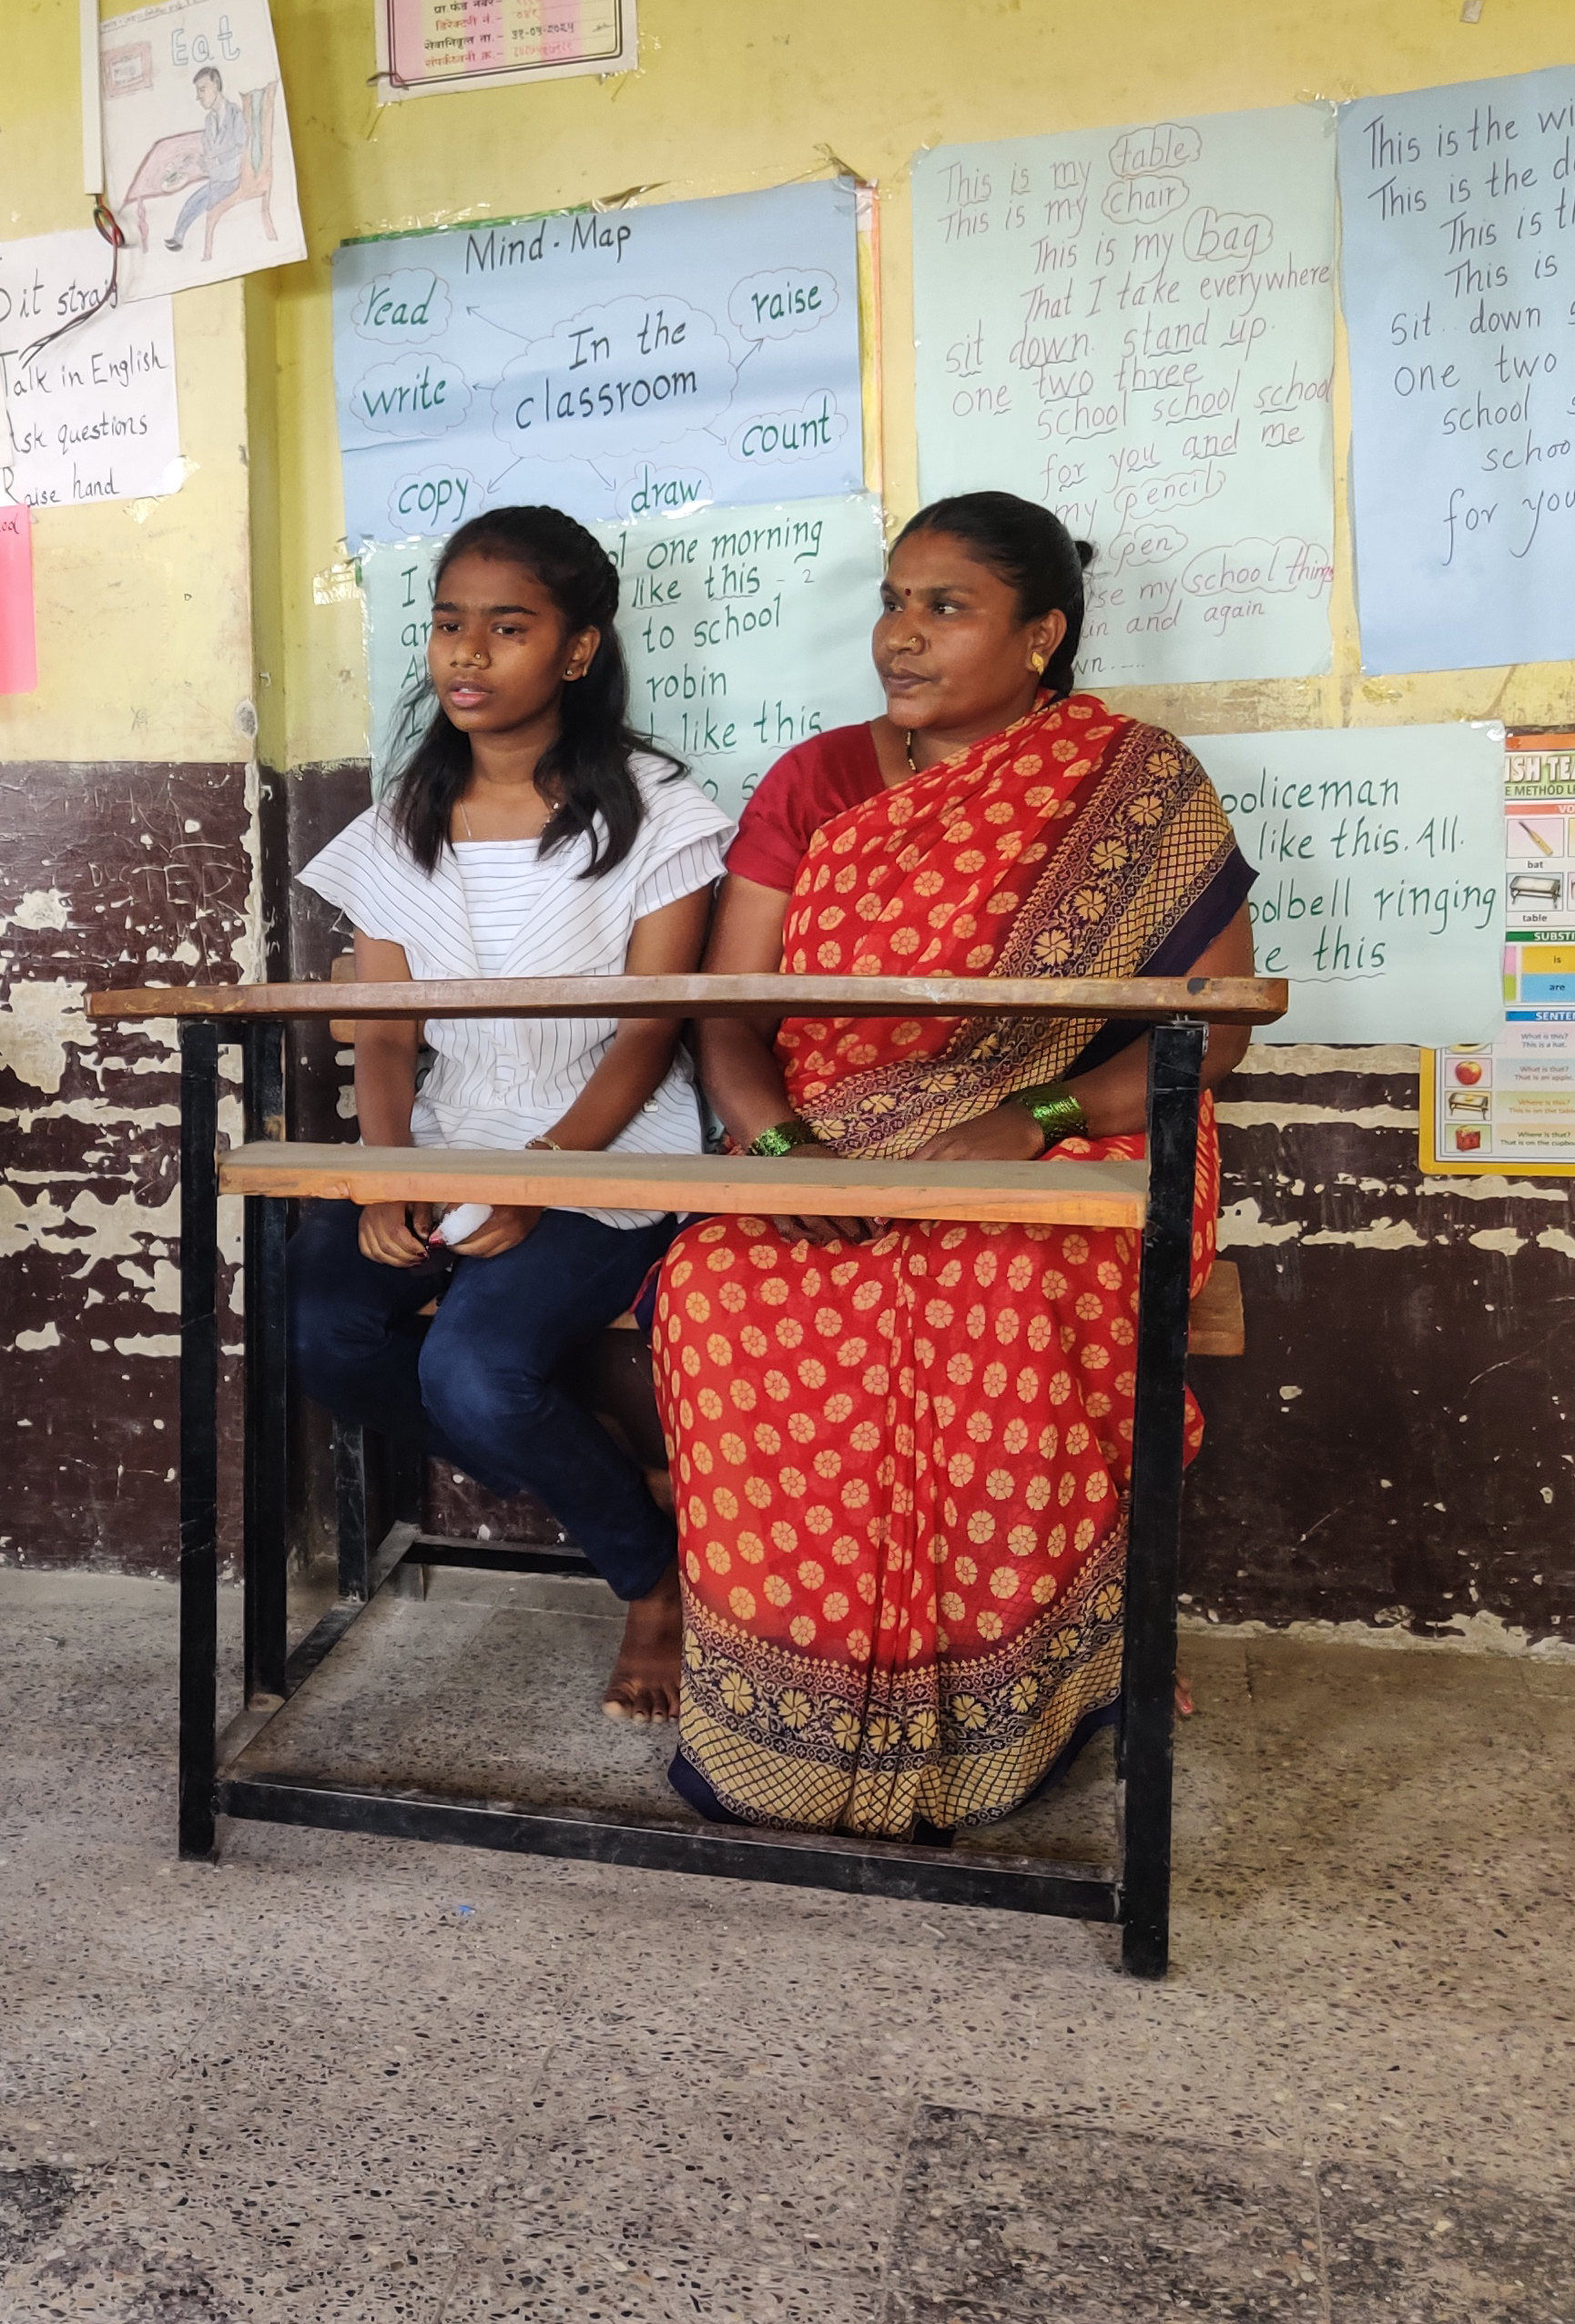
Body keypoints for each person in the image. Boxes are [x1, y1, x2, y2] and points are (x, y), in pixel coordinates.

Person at [658, 491, 1258, 1840]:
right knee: (717, 1285)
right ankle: (790, 1723)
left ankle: (1013, 1705)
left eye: (946, 606)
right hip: (837, 1140)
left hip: (1072, 1126)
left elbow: (1213, 1039)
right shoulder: (816, 779)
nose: (901, 636)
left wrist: (1031, 1112)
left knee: (991, 1272)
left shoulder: (1135, 779)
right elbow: (732, 1007)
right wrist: (779, 1149)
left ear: (1041, 634)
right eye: (893, 600)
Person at [291, 506, 733, 1721]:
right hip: (444, 1138)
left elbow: (650, 1032)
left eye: (508, 626)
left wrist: (542, 1172)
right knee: (322, 1326)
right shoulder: (399, 826)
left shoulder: (658, 815)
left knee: (475, 1371)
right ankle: (611, 1487)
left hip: (610, 1149)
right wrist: (387, 1172)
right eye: (447, 625)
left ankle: (649, 1580)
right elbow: (383, 1031)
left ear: (579, 650)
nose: (467, 655)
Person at [164, 64, 249, 252]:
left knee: (199, 202)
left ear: (216, 86)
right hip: (217, 179)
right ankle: (178, 238)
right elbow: (209, 152)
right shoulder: (209, 121)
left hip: (232, 178)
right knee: (192, 201)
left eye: (202, 89)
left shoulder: (234, 114)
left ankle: (179, 237)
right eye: (198, 91)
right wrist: (200, 161)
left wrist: (216, 161)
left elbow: (241, 146)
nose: (198, 96)